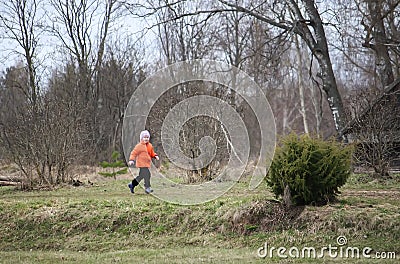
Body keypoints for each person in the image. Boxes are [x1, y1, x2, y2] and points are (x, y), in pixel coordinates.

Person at [128, 130, 159, 194]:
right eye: (144, 137)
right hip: (141, 164)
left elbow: (152, 153)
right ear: (141, 138)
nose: (146, 139)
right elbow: (134, 153)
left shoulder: (150, 145)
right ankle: (147, 188)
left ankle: (132, 184)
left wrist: (155, 156)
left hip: (147, 164)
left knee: (141, 176)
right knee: (147, 175)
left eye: (147, 137)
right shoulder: (139, 146)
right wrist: (131, 160)